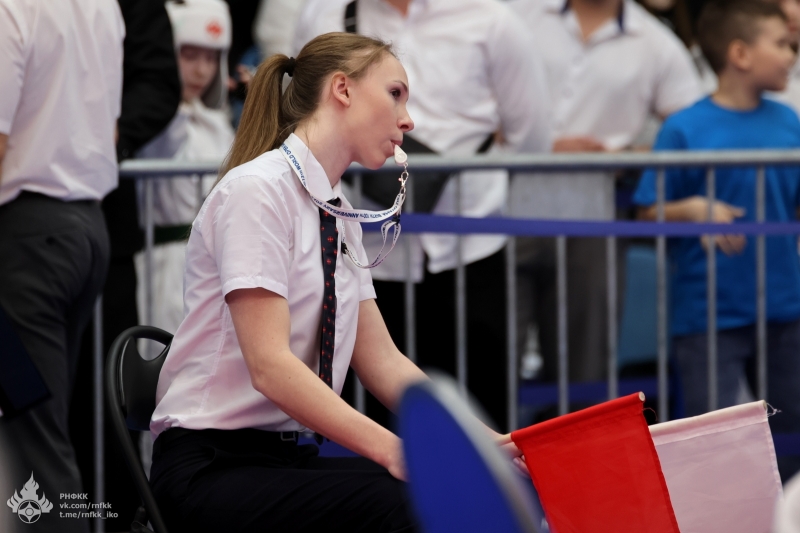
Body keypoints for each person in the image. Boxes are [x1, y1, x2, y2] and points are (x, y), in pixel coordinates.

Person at [148, 32, 525, 532]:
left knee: (449, 496)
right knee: (415, 504)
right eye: (395, 94)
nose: (408, 120)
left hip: (279, 458)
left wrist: (483, 444)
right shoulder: (257, 191)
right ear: (342, 89)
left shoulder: (336, 210)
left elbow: (384, 361)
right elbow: (270, 367)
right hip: (212, 466)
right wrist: (395, 449)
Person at [294, 0, 551, 430]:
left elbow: (532, 137)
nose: (406, 122)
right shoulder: (324, 15)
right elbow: (304, 118)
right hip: (363, 253)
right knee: (367, 421)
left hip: (472, 251)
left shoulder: (492, 20)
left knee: (483, 418)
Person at [633, 0, 800, 482]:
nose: (791, 54)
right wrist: (691, 208)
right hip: (707, 315)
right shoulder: (684, 128)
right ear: (740, 54)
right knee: (713, 444)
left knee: (792, 435)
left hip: (785, 309)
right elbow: (646, 210)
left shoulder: (789, 121)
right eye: (781, 44)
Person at [508, 0, 701, 394]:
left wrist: (623, 156)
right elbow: (473, 99)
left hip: (593, 218)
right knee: (492, 349)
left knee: (585, 361)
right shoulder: (519, 13)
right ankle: (483, 436)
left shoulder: (656, 41)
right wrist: (536, 144)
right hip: (500, 208)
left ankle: (577, 437)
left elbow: (695, 130)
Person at [0, 0, 124, 532]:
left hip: (29, 244)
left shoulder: (13, 8)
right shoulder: (103, 6)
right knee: (37, 428)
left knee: (31, 439)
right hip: (83, 230)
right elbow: (110, 129)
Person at [135, 0, 235, 345]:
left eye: (211, 58)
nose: (201, 71)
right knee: (165, 356)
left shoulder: (220, 125)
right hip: (166, 263)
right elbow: (167, 131)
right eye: (189, 56)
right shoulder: (158, 124)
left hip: (220, 263)